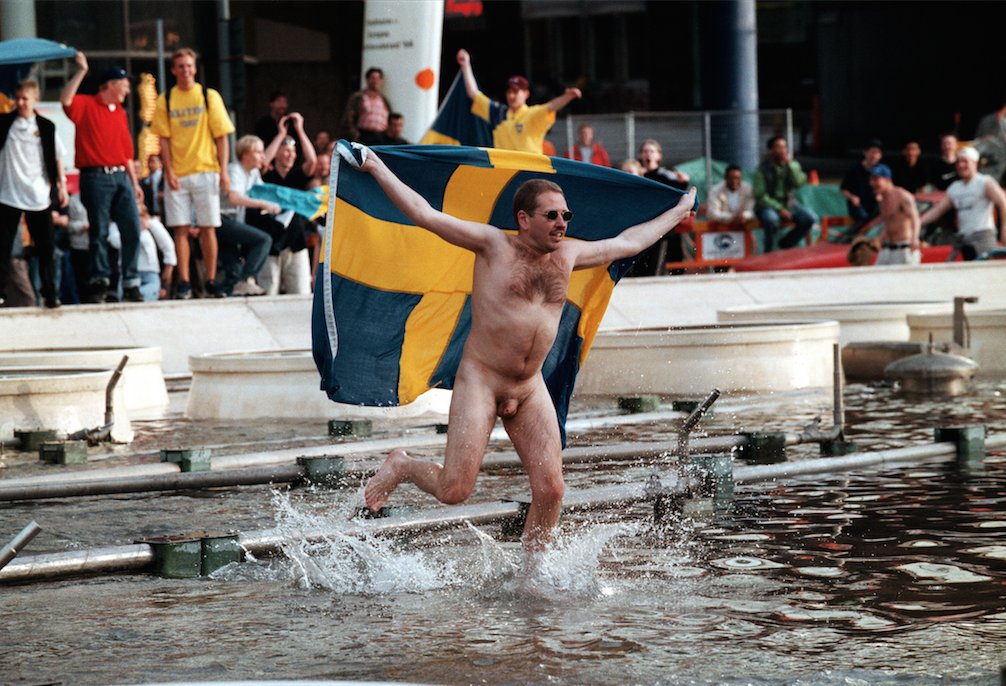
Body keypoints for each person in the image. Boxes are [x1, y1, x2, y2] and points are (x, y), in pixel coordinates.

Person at [344, 142, 696, 552]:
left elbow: (630, 242)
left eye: (566, 215)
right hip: (482, 381)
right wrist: (375, 166)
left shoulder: (569, 255)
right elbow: (425, 214)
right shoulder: (494, 246)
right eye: (552, 215)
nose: (561, 223)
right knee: (454, 488)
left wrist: (678, 209)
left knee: (552, 490)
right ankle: (402, 465)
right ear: (524, 219)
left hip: (529, 386)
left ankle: (533, 577)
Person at [151, 47, 235, 299]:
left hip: (206, 168)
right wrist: (168, 171)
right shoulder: (165, 100)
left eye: (189, 65)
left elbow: (222, 137)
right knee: (181, 229)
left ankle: (210, 279)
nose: (185, 70)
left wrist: (223, 171)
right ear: (174, 70)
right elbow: (163, 139)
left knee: (209, 227)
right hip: (178, 172)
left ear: (195, 68)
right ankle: (185, 281)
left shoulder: (209, 96)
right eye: (181, 66)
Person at [61, 52, 144, 304]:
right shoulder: (86, 104)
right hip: (95, 176)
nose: (128, 87)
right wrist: (81, 71)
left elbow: (126, 153)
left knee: (132, 229)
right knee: (98, 231)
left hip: (120, 176)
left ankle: (130, 281)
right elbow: (66, 100)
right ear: (111, 85)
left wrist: (135, 183)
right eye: (125, 82)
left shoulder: (120, 112)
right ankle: (99, 281)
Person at [0, 79, 68, 308]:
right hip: (8, 192)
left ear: (35, 99)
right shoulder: (4, 123)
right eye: (18, 98)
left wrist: (61, 185)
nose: (20, 103)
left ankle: (50, 293)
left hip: (38, 193)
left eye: (25, 98)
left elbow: (58, 156)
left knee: (46, 246)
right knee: (3, 244)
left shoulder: (46, 126)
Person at [457, 49, 581, 154]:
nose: (511, 95)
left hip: (530, 171)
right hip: (503, 171)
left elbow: (552, 106)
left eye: (515, 92)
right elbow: (473, 93)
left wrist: (568, 96)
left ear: (526, 94)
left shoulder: (533, 113)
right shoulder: (497, 112)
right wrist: (466, 65)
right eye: (509, 92)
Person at [260, 116, 317, 295]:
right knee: (267, 295)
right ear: (277, 152)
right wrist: (281, 135)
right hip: (270, 244)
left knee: (301, 294)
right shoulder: (266, 176)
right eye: (285, 151)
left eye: (293, 152)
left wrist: (300, 129)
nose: (290, 154)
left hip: (295, 243)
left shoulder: (297, 175)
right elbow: (262, 163)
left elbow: (312, 162)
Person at [918, 146, 1006, 261]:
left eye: (965, 161)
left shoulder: (985, 182)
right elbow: (938, 211)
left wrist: (1004, 231)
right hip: (964, 238)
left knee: (985, 271)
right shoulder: (955, 188)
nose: (961, 165)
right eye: (958, 162)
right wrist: (918, 222)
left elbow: (1003, 202)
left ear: (975, 163)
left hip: (982, 236)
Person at [220, 134, 276, 297]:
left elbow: (265, 193)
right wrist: (264, 204)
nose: (263, 157)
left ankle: (232, 286)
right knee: (263, 240)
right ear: (245, 155)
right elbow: (234, 197)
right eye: (258, 152)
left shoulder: (253, 173)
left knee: (233, 272)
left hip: (233, 221)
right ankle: (247, 280)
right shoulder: (235, 170)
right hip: (221, 220)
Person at [752, 135, 818, 251]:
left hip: (789, 204)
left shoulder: (792, 165)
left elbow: (799, 182)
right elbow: (760, 195)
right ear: (771, 150)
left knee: (810, 218)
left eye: (784, 147)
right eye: (778, 147)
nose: (782, 150)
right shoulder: (762, 170)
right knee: (771, 220)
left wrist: (791, 166)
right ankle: (769, 252)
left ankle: (786, 244)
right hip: (769, 206)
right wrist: (779, 209)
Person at [858, 164, 921, 266]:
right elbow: (889, 225)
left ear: (887, 180)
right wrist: (876, 243)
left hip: (904, 248)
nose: (872, 183)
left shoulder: (902, 196)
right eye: (871, 180)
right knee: (875, 278)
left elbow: (915, 218)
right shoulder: (883, 199)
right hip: (888, 249)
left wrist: (915, 238)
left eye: (876, 179)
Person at [108, 206, 176, 301]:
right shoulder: (117, 225)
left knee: (144, 296)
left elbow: (168, 246)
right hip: (127, 274)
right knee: (124, 298)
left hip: (150, 273)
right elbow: (115, 242)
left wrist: (165, 280)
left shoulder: (152, 224)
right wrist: (135, 230)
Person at [342, 67, 392, 145]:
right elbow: (348, 117)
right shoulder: (358, 97)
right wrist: (354, 134)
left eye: (378, 78)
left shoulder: (383, 100)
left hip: (381, 137)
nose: (375, 81)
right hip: (363, 136)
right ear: (367, 80)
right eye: (373, 78)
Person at [840, 138, 884, 225]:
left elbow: (888, 188)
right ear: (865, 152)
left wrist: (881, 195)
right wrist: (852, 197)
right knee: (863, 220)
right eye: (872, 152)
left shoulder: (882, 170)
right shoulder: (855, 169)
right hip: (858, 204)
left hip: (874, 204)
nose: (874, 156)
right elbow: (843, 189)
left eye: (877, 153)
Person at [141, 153, 165, 218]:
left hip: (164, 212)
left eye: (153, 161)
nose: (151, 164)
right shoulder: (144, 181)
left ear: (161, 164)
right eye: (149, 161)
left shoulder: (165, 178)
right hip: (151, 214)